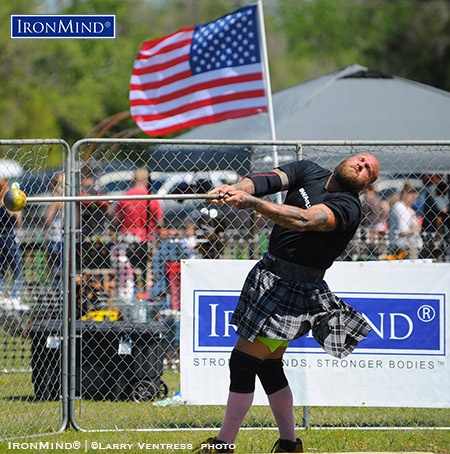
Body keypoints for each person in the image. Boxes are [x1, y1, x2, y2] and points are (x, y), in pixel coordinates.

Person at [194, 153, 380, 454]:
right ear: (348, 158)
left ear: (367, 182)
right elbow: (268, 180)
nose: (362, 166)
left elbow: (305, 220)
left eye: (368, 170)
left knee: (242, 363)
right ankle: (289, 444)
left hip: (295, 289)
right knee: (269, 367)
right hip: (269, 274)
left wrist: (252, 204)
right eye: (361, 160)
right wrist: (238, 188)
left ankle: (223, 444)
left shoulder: (348, 206)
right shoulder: (309, 171)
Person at [113, 168, 164, 292]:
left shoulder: (126, 197)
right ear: (147, 181)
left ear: (133, 180)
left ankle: (128, 291)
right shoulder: (150, 197)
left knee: (127, 271)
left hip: (127, 237)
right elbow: (159, 222)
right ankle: (145, 292)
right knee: (147, 270)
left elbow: (116, 220)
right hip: (146, 238)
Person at [0, 178, 24, 298]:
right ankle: (15, 296)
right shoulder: (9, 204)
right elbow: (18, 223)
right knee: (17, 271)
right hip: (10, 240)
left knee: (1, 271)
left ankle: (1, 293)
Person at [387, 182, 423, 260]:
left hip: (407, 246)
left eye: (415, 198)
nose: (414, 201)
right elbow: (403, 230)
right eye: (412, 197)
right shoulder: (401, 209)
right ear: (404, 194)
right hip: (404, 249)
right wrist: (416, 229)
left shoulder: (402, 207)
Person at [44, 172, 65, 290]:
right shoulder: (70, 198)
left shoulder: (56, 200)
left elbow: (47, 220)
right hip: (65, 237)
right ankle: (62, 293)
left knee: (55, 270)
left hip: (54, 238)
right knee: (63, 269)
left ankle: (59, 293)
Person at [360, 184, 389, 258]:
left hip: (371, 224)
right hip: (379, 223)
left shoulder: (367, 199)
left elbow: (364, 215)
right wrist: (383, 218)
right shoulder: (378, 198)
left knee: (370, 243)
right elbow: (385, 208)